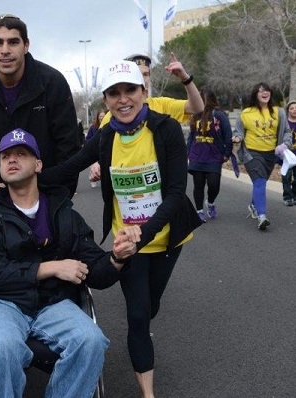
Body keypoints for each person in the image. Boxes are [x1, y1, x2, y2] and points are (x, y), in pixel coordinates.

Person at [39, 61, 202, 397]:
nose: (123, 99)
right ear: (106, 100)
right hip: (128, 242)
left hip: (168, 235)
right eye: (115, 93)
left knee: (151, 305)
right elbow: (70, 167)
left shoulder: (166, 129)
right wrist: (19, 179)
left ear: (144, 93)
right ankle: (148, 393)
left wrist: (147, 230)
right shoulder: (105, 136)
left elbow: (174, 193)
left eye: (130, 91)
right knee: (139, 315)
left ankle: (144, 329)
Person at [0, 128, 132, 398]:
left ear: (38, 164)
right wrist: (52, 267)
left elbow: (97, 272)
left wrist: (117, 257)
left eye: (21, 154)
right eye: (5, 156)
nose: (12, 159)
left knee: (90, 341)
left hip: (51, 303)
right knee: (3, 344)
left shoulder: (62, 211)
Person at [0, 13, 80, 206]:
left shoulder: (52, 83)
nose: (5, 50)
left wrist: (58, 196)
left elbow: (67, 147)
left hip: (48, 198)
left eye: (13, 42)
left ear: (26, 45)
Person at [89, 52, 204, 183]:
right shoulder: (111, 118)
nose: (143, 79)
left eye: (146, 74)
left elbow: (197, 108)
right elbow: (96, 150)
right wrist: (95, 164)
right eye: (138, 74)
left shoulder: (162, 105)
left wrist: (185, 79)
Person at [232, 82, 292, 230]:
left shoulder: (279, 112)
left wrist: (285, 144)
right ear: (255, 94)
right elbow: (238, 132)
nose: (265, 93)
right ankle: (262, 216)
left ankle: (254, 205)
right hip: (251, 153)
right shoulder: (246, 113)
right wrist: (237, 138)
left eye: (267, 91)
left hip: (271, 154)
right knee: (259, 181)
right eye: (261, 91)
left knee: (261, 182)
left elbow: (287, 132)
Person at [187, 88, 233, 222]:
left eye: (201, 98)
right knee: (198, 185)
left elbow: (227, 135)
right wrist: (187, 152)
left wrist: (227, 153)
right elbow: (192, 135)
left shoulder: (219, 115)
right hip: (197, 155)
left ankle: (211, 202)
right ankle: (199, 210)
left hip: (214, 156)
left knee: (214, 185)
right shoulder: (195, 115)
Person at [280, 100, 296, 206]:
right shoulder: (284, 123)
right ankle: (287, 197)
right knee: (286, 177)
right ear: (288, 110)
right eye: (292, 108)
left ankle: (294, 195)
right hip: (287, 155)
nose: (294, 110)